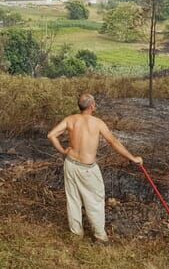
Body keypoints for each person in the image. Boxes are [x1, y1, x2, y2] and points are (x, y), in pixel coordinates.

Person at [47, 93, 143, 243]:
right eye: (95, 104)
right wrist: (132, 158)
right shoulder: (97, 123)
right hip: (87, 168)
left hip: (70, 163)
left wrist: (63, 150)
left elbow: (51, 135)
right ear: (92, 106)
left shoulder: (70, 119)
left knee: (73, 199)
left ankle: (76, 234)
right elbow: (113, 142)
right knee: (95, 200)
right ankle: (100, 237)